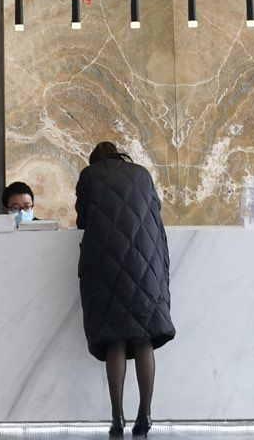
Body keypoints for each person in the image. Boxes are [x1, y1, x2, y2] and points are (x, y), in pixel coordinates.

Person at [75, 142, 174, 438]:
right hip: (146, 263)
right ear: (119, 155)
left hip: (105, 264)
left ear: (95, 160)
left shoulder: (89, 175)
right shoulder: (142, 173)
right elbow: (155, 211)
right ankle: (145, 414)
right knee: (143, 338)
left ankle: (117, 418)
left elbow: (82, 220)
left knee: (114, 340)